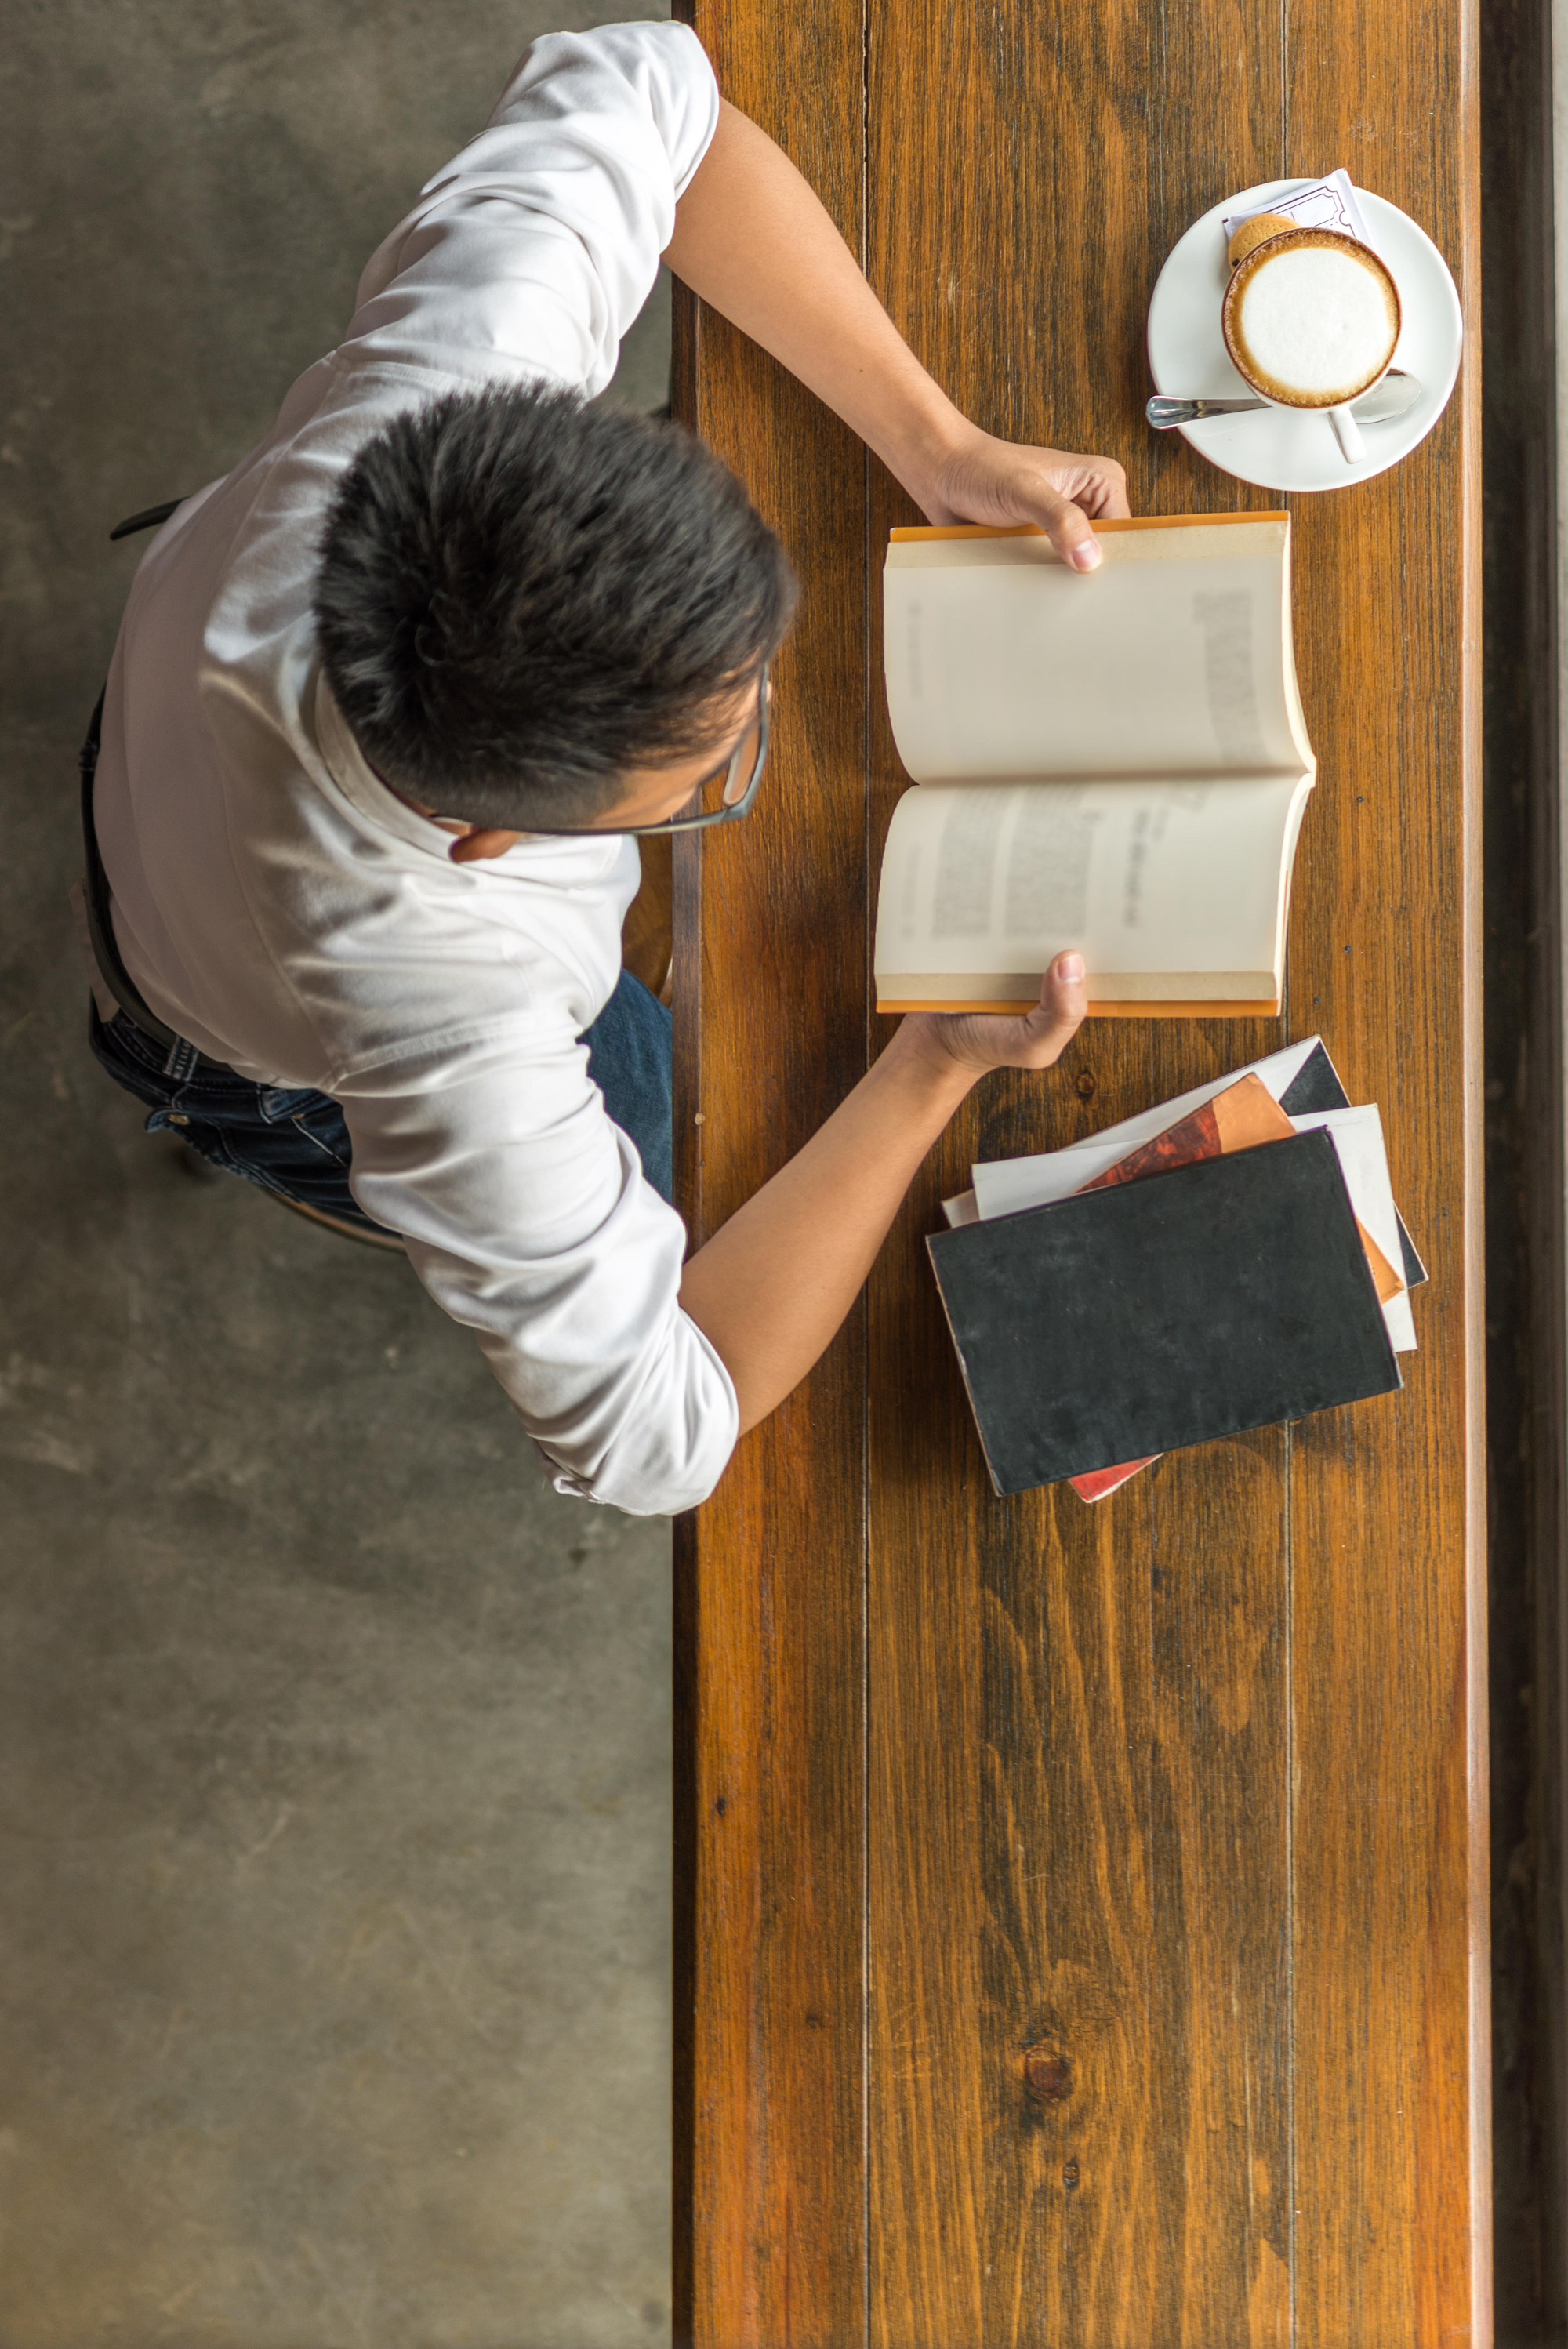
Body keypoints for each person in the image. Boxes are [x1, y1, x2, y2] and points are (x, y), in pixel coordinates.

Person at [85, 19, 1129, 1516]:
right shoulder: (446, 1022)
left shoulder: (463, 351)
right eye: (717, 768)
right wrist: (929, 1067)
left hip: (159, 712)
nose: (757, 727)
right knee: (657, 1104)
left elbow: (661, 86)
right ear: (498, 840)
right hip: (230, 1025)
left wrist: (939, 443)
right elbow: (656, 1439)